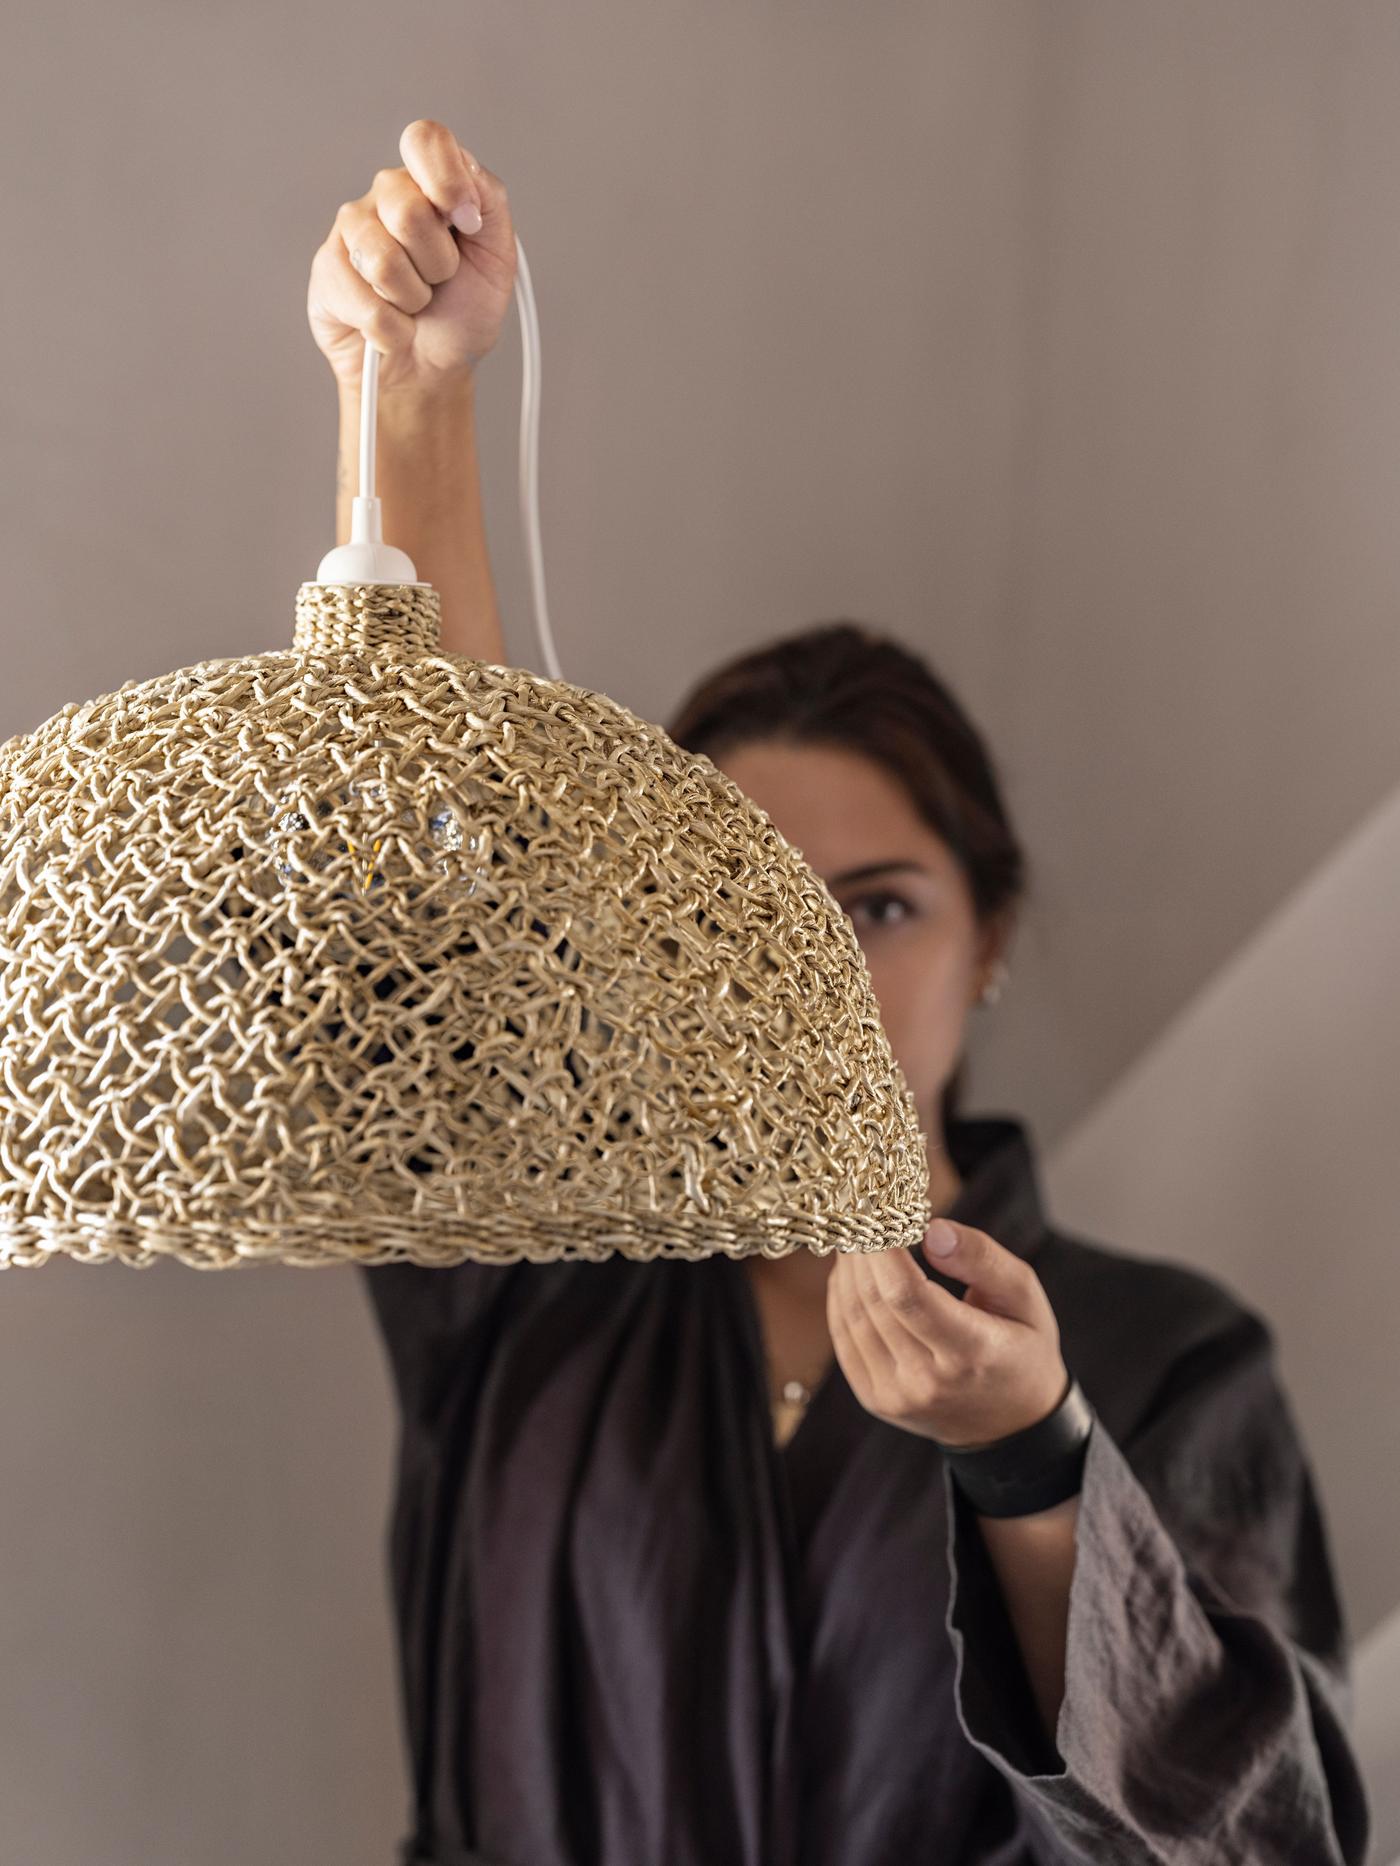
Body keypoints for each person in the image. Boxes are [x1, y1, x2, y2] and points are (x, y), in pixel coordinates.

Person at [307, 120, 1372, 1866]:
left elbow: (1268, 1841)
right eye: (737, 899)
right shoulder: (529, 1292)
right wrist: (416, 399)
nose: (806, 967)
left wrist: (1030, 1457)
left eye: (875, 906)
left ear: (992, 933)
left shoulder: (1172, 1368)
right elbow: (455, 895)